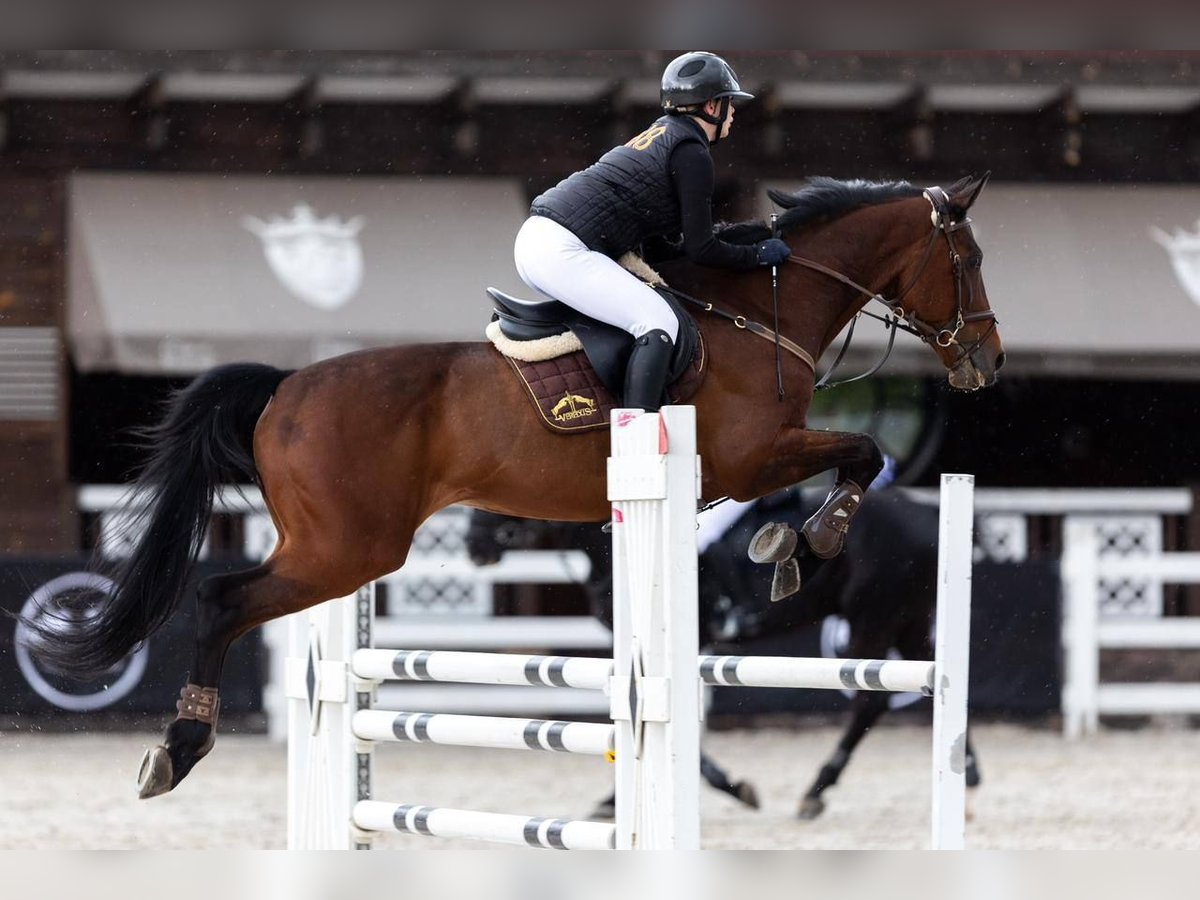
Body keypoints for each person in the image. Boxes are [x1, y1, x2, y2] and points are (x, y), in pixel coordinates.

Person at [514, 51, 791, 412]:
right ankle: (637, 439)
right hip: (562, 251)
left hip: (543, 242)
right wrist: (757, 255)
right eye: (729, 103)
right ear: (710, 107)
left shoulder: (663, 134)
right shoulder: (691, 152)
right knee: (658, 323)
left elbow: (663, 249)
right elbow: (701, 250)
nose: (734, 112)